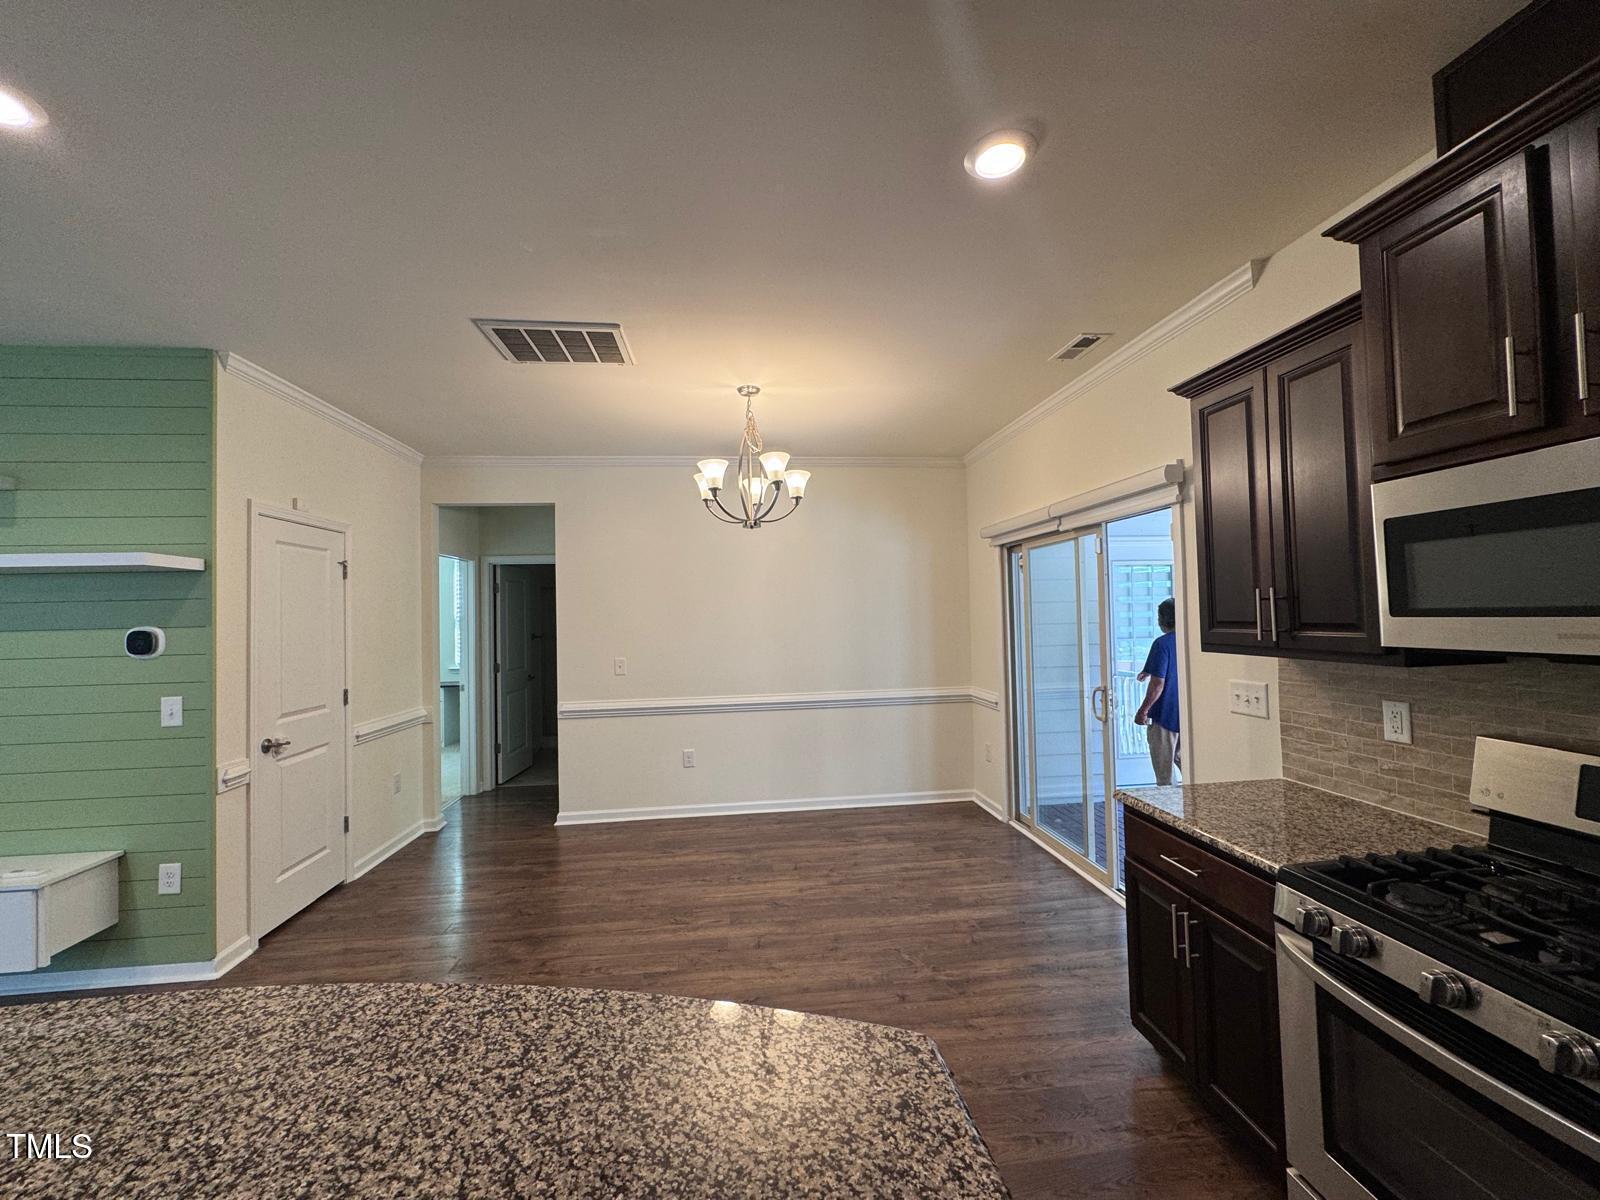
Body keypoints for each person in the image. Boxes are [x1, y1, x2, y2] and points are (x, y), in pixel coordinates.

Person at [1133, 598, 1181, 785]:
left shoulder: (1162, 644)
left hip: (1164, 714)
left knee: (1164, 775)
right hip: (1185, 715)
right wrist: (1148, 669)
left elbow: (1157, 685)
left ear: (1163, 620)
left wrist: (1143, 710)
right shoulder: (1189, 641)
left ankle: (1169, 810)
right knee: (1188, 765)